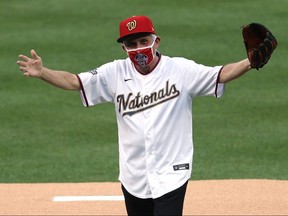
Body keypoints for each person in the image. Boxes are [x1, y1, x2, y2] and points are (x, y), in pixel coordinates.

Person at [17, 15, 253, 216]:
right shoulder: (114, 72)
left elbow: (220, 74)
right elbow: (73, 81)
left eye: (143, 41)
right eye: (131, 44)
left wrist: (249, 62)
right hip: (134, 175)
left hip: (171, 172)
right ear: (124, 48)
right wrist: (42, 72)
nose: (138, 48)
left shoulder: (181, 70)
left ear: (156, 41)